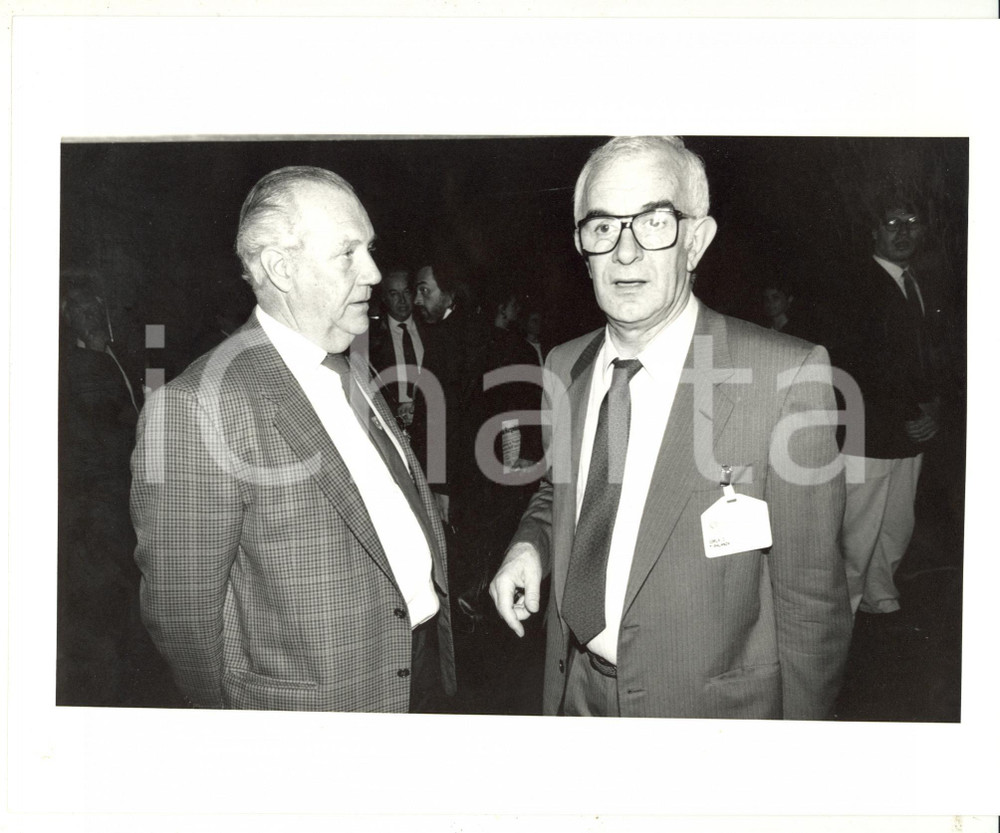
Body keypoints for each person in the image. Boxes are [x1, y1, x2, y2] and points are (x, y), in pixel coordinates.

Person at [490, 136, 852, 719]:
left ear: (696, 240)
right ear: (582, 247)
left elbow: (812, 606)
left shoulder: (783, 377)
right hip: (573, 694)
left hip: (709, 720)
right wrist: (530, 546)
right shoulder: (563, 365)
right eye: (602, 227)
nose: (625, 252)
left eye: (654, 222)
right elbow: (562, 493)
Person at [130, 166, 456, 712]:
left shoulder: (350, 364)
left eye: (369, 249)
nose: (374, 272)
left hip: (415, 670)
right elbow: (183, 619)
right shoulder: (196, 406)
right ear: (282, 268)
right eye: (348, 253)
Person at [830, 196, 943, 615]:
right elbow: (859, 363)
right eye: (892, 223)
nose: (903, 231)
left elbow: (932, 355)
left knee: (896, 522)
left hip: (911, 430)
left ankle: (878, 594)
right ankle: (840, 613)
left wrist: (936, 407)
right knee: (857, 528)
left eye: (912, 222)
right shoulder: (855, 283)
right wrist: (914, 411)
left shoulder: (917, 281)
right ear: (874, 231)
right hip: (867, 430)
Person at [367, 267, 425, 432]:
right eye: (394, 294)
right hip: (392, 422)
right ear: (384, 298)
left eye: (406, 292)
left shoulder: (431, 329)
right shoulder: (371, 337)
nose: (402, 300)